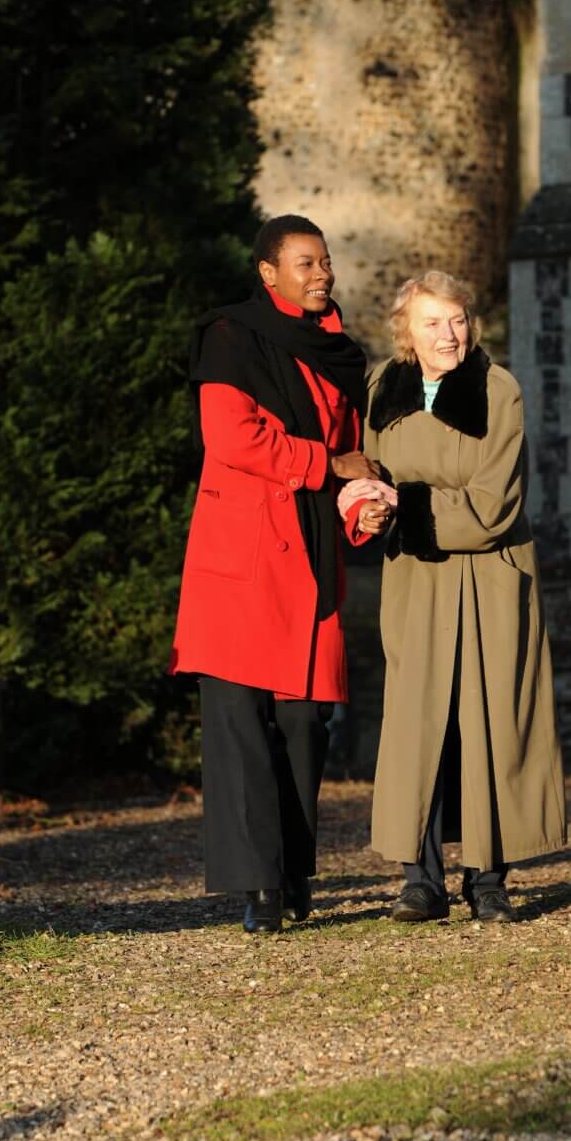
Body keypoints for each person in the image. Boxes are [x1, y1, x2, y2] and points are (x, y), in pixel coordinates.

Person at [169, 215, 379, 934]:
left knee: (302, 722)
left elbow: (356, 453)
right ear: (268, 273)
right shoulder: (231, 337)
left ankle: (292, 872)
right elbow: (232, 437)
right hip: (239, 558)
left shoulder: (341, 356)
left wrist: (362, 506)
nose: (321, 273)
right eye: (304, 263)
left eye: (325, 261)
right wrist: (328, 467)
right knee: (236, 722)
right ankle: (256, 887)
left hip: (312, 560)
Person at [341, 271, 566, 924]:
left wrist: (399, 503)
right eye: (433, 322)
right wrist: (368, 508)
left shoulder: (499, 391)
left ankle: (488, 879)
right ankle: (421, 880)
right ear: (406, 330)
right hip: (417, 576)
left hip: (491, 575)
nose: (449, 334)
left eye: (458, 320)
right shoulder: (385, 387)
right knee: (418, 725)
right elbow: (372, 472)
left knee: (489, 720)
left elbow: (494, 506)